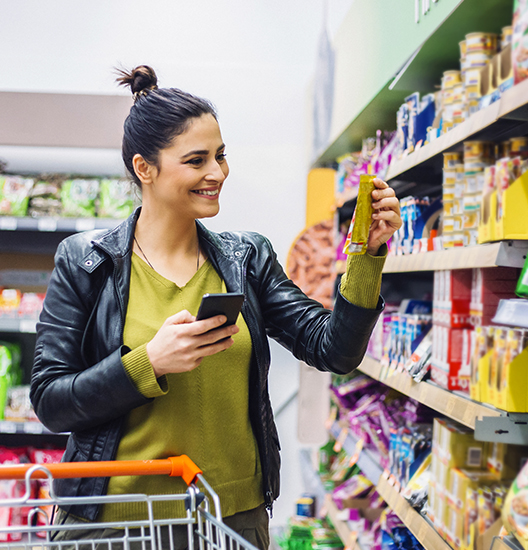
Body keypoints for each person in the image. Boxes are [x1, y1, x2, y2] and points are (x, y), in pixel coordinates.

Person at [30, 65, 402, 550]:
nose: (217, 173)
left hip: (231, 522)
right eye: (197, 160)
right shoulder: (86, 261)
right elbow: (51, 400)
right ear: (146, 168)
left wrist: (365, 256)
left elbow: (333, 350)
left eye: (221, 156)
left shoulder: (246, 258)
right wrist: (148, 363)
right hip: (114, 523)